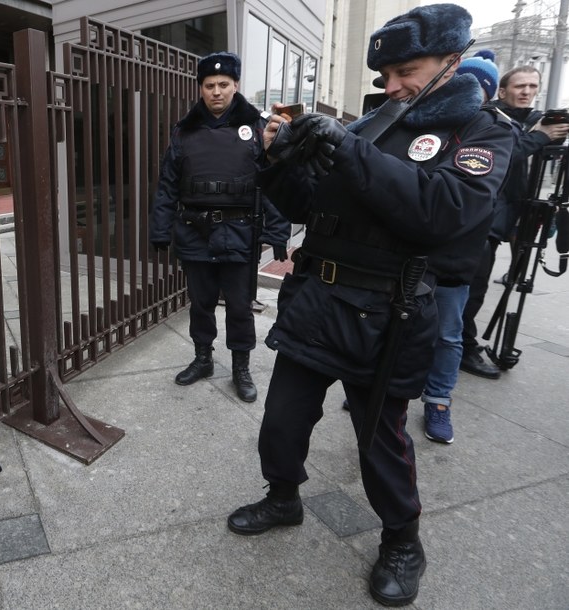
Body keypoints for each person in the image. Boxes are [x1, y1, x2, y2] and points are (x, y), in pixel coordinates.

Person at [226, 4, 512, 607]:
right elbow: (311, 205)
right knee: (281, 421)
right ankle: (283, 496)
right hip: (319, 299)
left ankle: (402, 541)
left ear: (450, 62)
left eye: (405, 70)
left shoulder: (481, 132)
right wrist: (279, 162)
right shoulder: (373, 124)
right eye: (385, 75)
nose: (392, 85)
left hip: (390, 312)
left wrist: (350, 151)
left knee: (379, 438)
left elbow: (444, 213)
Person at [149, 51, 290, 403]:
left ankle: (241, 367)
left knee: (240, 306)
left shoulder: (257, 127)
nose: (216, 91)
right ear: (200, 88)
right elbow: (168, 184)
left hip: (240, 232)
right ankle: (203, 359)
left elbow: (274, 181)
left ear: (236, 85)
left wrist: (278, 234)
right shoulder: (185, 131)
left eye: (223, 85)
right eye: (209, 85)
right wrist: (159, 229)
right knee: (201, 303)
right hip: (194, 231)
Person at [459, 65, 569, 379]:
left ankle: (461, 341)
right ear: (502, 91)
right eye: (519, 86)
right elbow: (501, 157)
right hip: (481, 219)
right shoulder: (491, 117)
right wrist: (540, 138)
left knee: (474, 287)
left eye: (532, 86)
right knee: (472, 287)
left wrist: (550, 138)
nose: (526, 92)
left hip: (506, 217)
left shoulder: (530, 122)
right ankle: (461, 346)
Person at [419, 49, 501, 444]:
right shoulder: (431, 125)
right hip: (413, 254)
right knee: (395, 329)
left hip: (456, 259)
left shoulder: (492, 132)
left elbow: (468, 199)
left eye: (479, 86)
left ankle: (437, 400)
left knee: (448, 335)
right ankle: (381, 387)